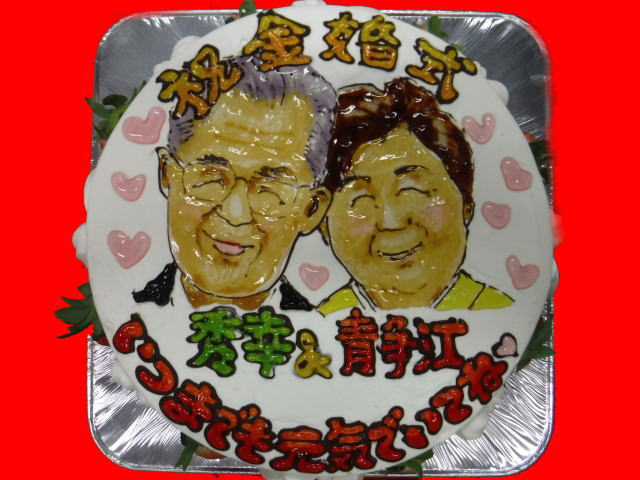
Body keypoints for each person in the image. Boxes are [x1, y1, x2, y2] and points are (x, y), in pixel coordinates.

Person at [155, 55, 335, 309]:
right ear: (167, 173)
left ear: (312, 209)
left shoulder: (321, 323)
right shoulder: (128, 302)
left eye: (270, 190)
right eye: (210, 178)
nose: (235, 215)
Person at [319, 77, 512, 312]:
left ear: (466, 204)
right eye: (359, 200)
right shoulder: (320, 323)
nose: (391, 221)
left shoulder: (498, 312)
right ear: (323, 225)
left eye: (412, 190)